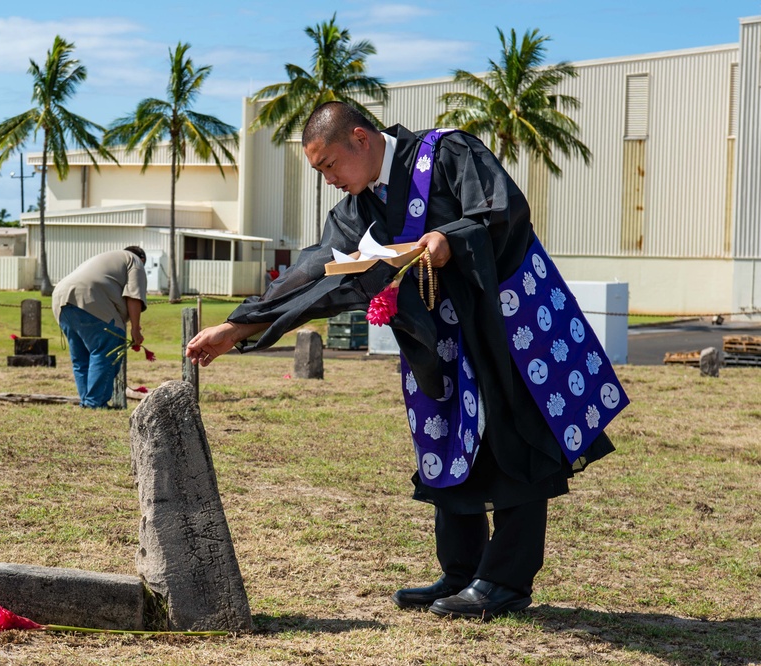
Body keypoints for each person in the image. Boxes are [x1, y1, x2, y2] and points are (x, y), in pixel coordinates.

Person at [186, 102, 618, 620]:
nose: (328, 180)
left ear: (361, 139)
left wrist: (450, 239)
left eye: (328, 166)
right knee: (446, 440)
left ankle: (505, 580)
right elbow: (317, 270)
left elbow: (503, 213)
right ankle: (462, 572)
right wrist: (238, 326)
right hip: (438, 343)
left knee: (513, 440)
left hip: (503, 329)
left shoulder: (448, 153)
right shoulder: (359, 207)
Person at [52, 246, 147, 408]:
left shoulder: (108, 257)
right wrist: (135, 329)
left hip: (60, 299)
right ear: (142, 258)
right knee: (107, 350)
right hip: (89, 298)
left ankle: (88, 403)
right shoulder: (135, 261)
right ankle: (95, 403)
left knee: (81, 359)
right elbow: (134, 297)